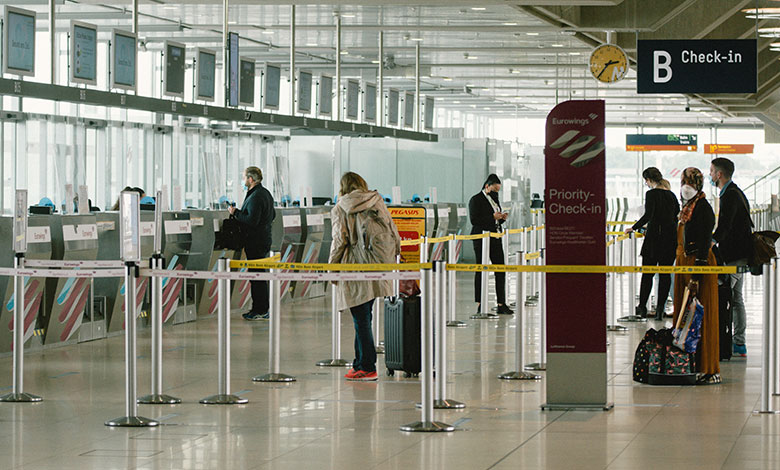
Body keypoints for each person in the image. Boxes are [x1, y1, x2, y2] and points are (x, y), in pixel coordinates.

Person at [329, 172, 400, 382]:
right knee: (364, 316)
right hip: (379, 265)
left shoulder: (341, 207)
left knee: (360, 319)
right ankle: (359, 362)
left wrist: (330, 267)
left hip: (355, 266)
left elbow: (339, 240)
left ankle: (368, 366)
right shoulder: (376, 201)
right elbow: (393, 231)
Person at [672, 167, 720, 384]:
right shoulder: (686, 209)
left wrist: (696, 277)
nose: (686, 188)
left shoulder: (703, 209)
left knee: (701, 315)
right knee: (684, 316)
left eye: (691, 184)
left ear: (698, 185)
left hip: (696, 268)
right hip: (682, 265)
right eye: (684, 183)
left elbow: (703, 244)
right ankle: (687, 363)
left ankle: (706, 366)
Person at [710, 157, 753, 357]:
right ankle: (739, 343)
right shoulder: (735, 192)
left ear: (719, 174)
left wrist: (711, 242)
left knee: (731, 297)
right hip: (739, 253)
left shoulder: (730, 196)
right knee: (736, 298)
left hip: (734, 255)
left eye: (711, 172)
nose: (710, 175)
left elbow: (725, 226)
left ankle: (735, 342)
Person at [626, 167, 679, 320]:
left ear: (648, 180)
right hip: (669, 240)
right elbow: (676, 215)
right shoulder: (671, 195)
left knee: (647, 273)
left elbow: (648, 215)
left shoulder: (651, 194)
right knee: (665, 274)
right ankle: (660, 309)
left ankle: (642, 306)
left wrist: (634, 227)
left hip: (654, 238)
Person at [230, 166, 275, 321]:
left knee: (257, 276)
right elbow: (272, 215)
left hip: (256, 241)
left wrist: (235, 213)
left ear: (250, 179)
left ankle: (260, 309)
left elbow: (251, 220)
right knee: (260, 275)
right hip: (263, 239)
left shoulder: (256, 196)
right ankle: (262, 308)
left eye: (244, 178)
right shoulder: (266, 194)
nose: (243, 181)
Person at [468, 174, 513, 315]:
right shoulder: (476, 200)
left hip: (495, 237)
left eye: (498, 191)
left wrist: (501, 219)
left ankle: (501, 303)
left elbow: (494, 220)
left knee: (500, 268)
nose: (496, 193)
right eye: (494, 190)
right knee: (481, 269)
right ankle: (480, 303)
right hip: (481, 238)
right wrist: (492, 217)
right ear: (487, 186)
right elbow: (474, 220)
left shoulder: (494, 201)